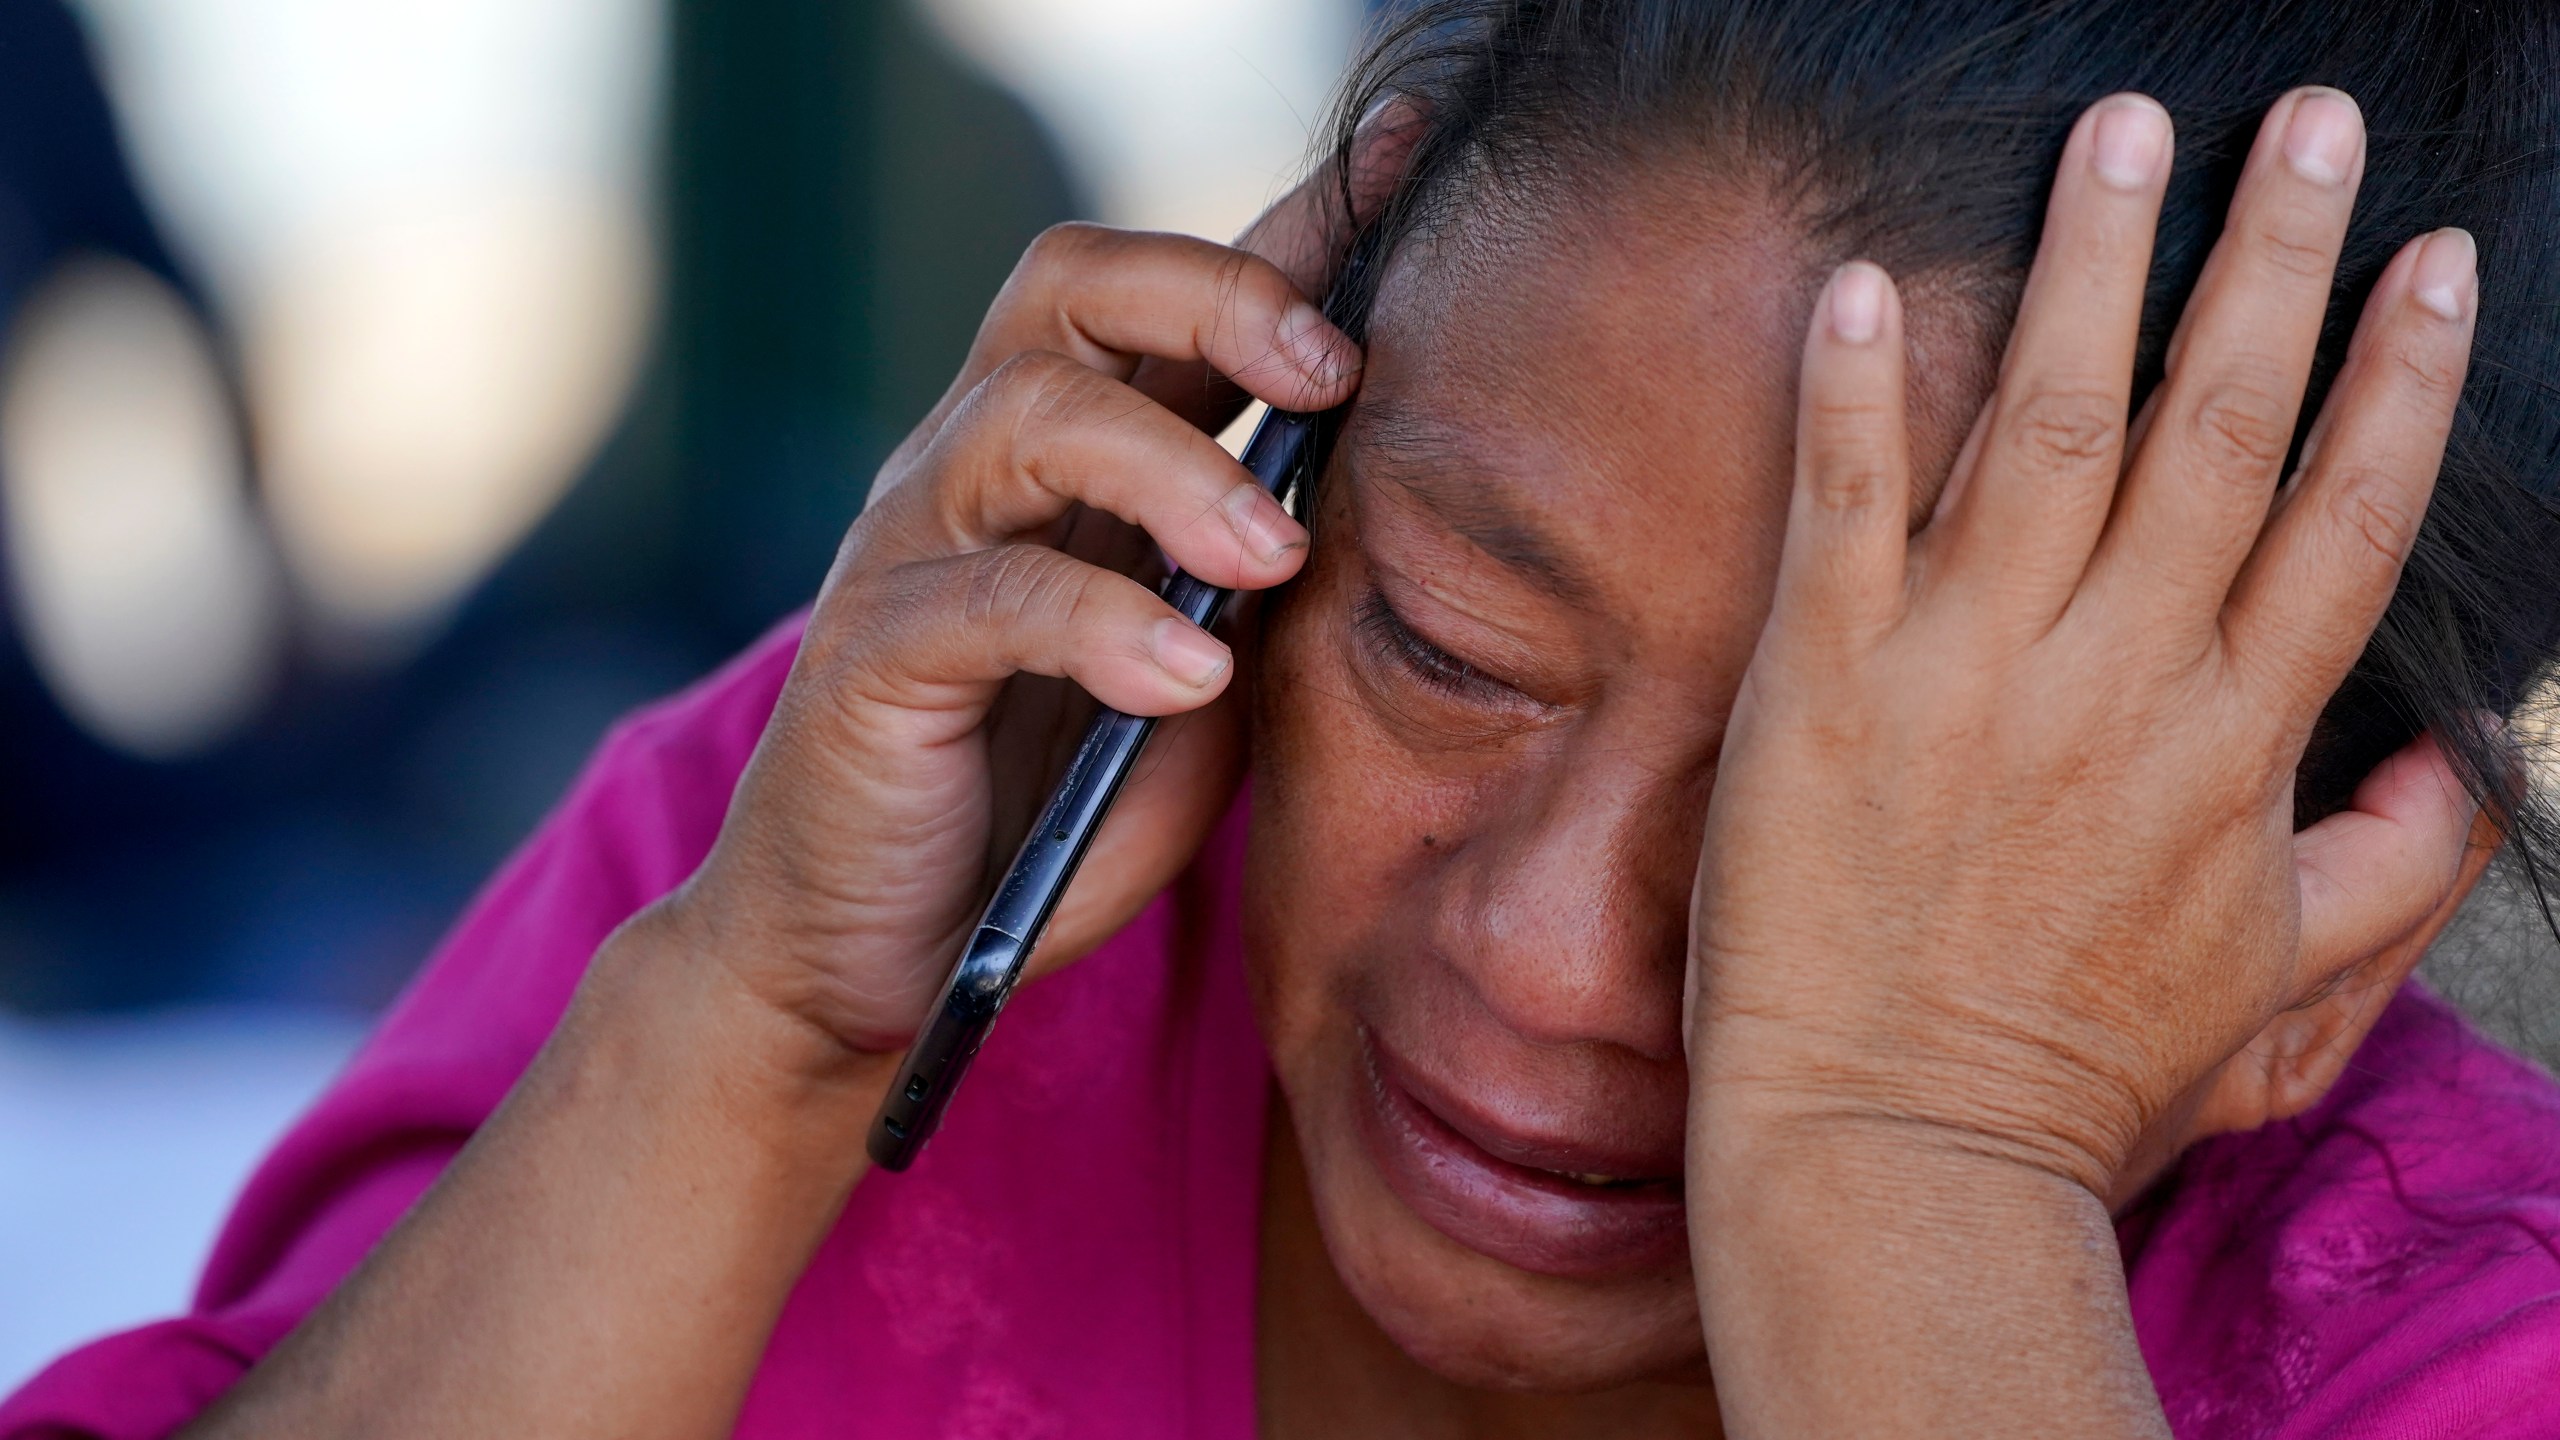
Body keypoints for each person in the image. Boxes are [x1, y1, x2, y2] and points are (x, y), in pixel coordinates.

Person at [10, 0, 2560, 1434]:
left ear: (2321, 923)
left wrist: (1908, 1175)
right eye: (1443, 648)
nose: (1550, 959)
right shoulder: (878, 860)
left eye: (1868, 830)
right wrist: (748, 1033)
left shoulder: (2452, 1349)